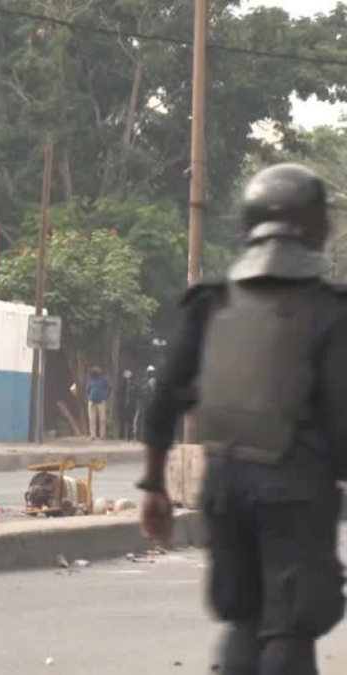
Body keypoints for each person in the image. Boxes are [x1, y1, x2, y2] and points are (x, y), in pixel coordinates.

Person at [139, 163, 347, 674]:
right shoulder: (330, 310)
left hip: (225, 488)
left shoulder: (212, 303)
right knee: (289, 625)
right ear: (318, 226)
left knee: (243, 620)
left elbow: (164, 393)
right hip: (298, 492)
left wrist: (153, 486)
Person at [85, 367, 110, 439]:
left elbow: (109, 388)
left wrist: (105, 396)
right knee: (92, 419)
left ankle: (102, 435)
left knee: (101, 419)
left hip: (100, 401)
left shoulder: (103, 380)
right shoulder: (90, 380)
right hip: (92, 401)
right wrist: (89, 397)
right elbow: (88, 390)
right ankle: (93, 435)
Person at [118, 369, 138, 440]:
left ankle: (130, 436)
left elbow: (137, 393)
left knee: (130, 421)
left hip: (131, 405)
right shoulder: (121, 384)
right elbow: (118, 393)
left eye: (128, 376)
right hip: (123, 405)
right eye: (126, 376)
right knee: (122, 421)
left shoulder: (134, 384)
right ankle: (121, 436)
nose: (127, 377)